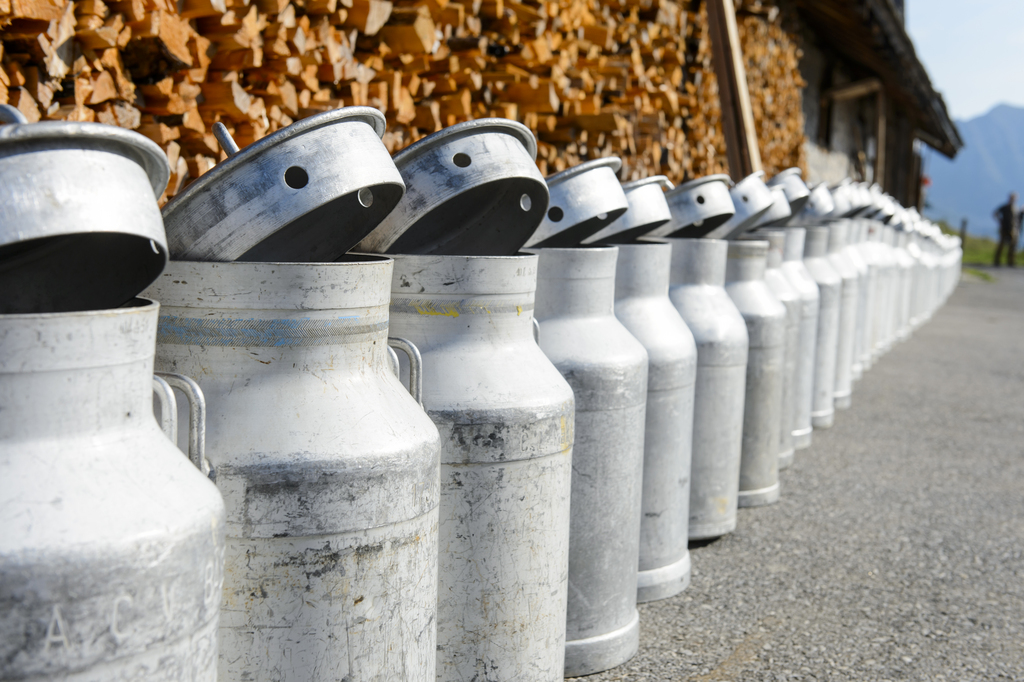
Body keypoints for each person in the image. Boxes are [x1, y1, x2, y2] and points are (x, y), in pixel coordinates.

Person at [993, 192, 1021, 266]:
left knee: (1013, 246)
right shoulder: (1005, 207)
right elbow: (995, 213)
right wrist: (1000, 221)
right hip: (1005, 228)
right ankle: (997, 260)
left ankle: (1011, 262)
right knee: (1002, 245)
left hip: (1013, 229)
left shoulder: (1016, 208)